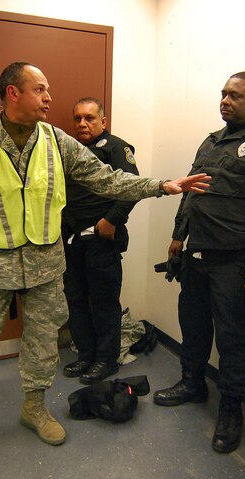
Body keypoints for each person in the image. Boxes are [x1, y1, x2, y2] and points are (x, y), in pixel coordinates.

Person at [0, 62, 210, 473]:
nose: (49, 97)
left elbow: (107, 179)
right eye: (40, 89)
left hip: (43, 265)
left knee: (41, 344)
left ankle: (34, 408)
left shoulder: (57, 141)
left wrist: (161, 185)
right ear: (12, 93)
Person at [153, 72, 245, 454]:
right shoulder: (212, 141)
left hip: (236, 262)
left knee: (234, 339)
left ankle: (231, 410)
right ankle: (192, 382)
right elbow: (191, 191)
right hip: (197, 256)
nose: (225, 101)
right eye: (222, 94)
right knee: (194, 323)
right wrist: (177, 235)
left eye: (235, 96)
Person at [61, 97, 140, 384]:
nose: (83, 123)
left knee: (104, 302)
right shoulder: (70, 150)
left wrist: (112, 220)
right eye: (78, 118)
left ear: (103, 121)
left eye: (90, 118)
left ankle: (106, 360)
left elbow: (131, 188)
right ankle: (86, 355)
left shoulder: (117, 147)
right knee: (76, 299)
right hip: (71, 240)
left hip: (101, 239)